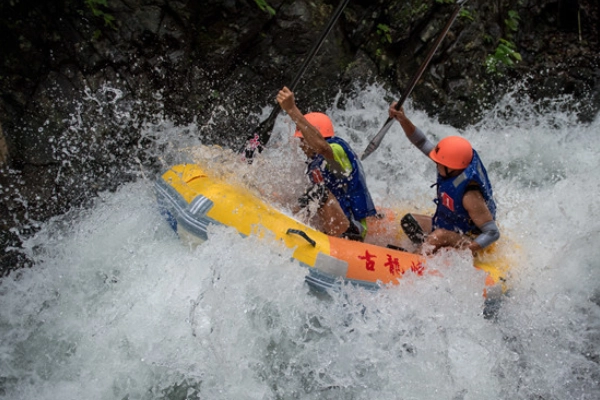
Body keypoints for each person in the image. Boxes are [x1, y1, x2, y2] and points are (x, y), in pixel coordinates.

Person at [388, 103, 499, 254]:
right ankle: (430, 251)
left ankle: (415, 259)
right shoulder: (453, 165)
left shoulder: (469, 194)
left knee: (438, 236)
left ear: (452, 167)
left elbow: (492, 232)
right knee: (409, 221)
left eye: (440, 163)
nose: (435, 163)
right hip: (452, 226)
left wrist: (467, 251)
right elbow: (421, 142)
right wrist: (402, 119)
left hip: (470, 239)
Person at [276, 86, 377, 241]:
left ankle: (285, 223)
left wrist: (291, 109)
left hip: (352, 229)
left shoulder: (336, 149)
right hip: (336, 220)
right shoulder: (315, 161)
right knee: (306, 191)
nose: (301, 145)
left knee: (318, 191)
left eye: (303, 140)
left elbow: (323, 147)